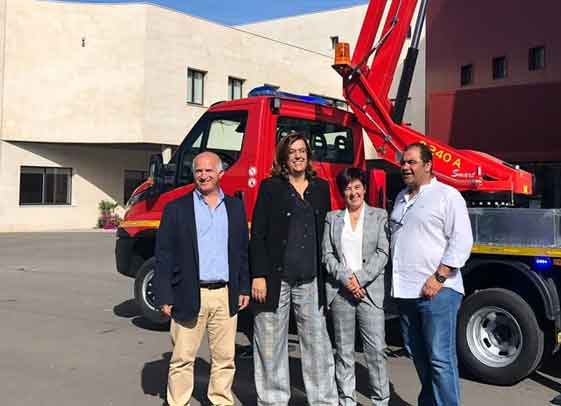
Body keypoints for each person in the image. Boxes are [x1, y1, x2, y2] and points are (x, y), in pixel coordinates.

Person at [154, 151, 251, 406]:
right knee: (183, 357)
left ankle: (220, 401)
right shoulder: (177, 209)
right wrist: (164, 294)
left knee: (224, 358)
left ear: (220, 174)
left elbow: (241, 251)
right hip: (188, 292)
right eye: (199, 171)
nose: (203, 175)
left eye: (209, 170)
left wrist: (243, 286)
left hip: (224, 294)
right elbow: (164, 255)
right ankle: (178, 402)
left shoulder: (235, 207)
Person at [249, 132, 338, 406]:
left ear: (308, 155)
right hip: (276, 279)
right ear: (283, 158)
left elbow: (328, 232)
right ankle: (273, 400)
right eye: (292, 152)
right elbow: (259, 234)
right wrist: (259, 275)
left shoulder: (320, 188)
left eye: (302, 151)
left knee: (317, 344)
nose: (298, 156)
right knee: (270, 342)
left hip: (310, 279)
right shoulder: (271, 187)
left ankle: (323, 400)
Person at [390, 142, 474, 406]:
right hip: (405, 292)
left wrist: (439, 277)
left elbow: (462, 240)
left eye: (412, 162)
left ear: (428, 165)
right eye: (403, 162)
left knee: (440, 358)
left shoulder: (447, 195)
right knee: (418, 354)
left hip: (438, 292)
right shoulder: (401, 197)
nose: (405, 167)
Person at [322, 167, 390, 406]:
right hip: (341, 293)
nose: (353, 192)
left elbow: (383, 252)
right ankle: (346, 399)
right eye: (348, 188)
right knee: (344, 351)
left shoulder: (379, 215)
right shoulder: (332, 218)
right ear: (342, 192)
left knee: (376, 352)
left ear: (364, 189)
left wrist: (359, 280)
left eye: (357, 187)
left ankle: (381, 400)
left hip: (369, 293)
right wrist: (347, 279)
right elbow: (327, 255)